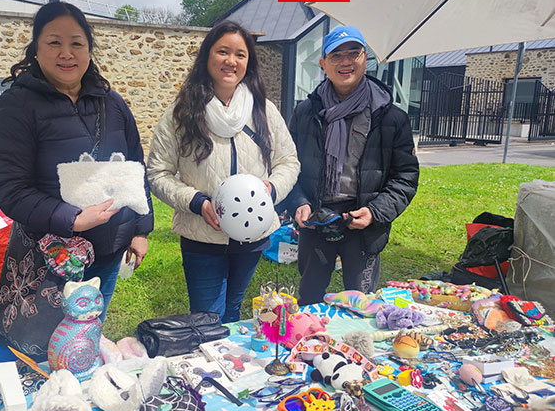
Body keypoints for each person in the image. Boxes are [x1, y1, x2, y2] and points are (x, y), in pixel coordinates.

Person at [0, 1, 153, 356]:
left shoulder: (112, 103)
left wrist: (140, 228)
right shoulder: (18, 105)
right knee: (42, 352)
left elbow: (136, 168)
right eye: (54, 42)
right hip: (51, 255)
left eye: (76, 43)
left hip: (107, 251)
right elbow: (9, 188)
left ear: (89, 49)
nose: (67, 53)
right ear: (36, 49)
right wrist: (72, 219)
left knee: (84, 341)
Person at [147, 21, 300, 323]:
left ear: (248, 62)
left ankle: (226, 366)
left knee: (233, 310)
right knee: (207, 317)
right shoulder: (182, 113)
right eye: (223, 52)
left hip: (253, 231)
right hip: (203, 235)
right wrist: (197, 202)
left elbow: (289, 161)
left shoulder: (264, 111)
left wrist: (270, 190)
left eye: (240, 54)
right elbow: (157, 172)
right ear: (207, 57)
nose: (231, 61)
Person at [288, 25, 419, 305]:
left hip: (364, 223)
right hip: (316, 220)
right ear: (323, 64)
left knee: (361, 304)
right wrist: (299, 201)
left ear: (365, 59)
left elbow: (405, 177)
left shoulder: (391, 117)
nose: (345, 62)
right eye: (336, 55)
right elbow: (288, 167)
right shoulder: (304, 113)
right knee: (309, 300)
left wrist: (375, 212)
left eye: (353, 53)